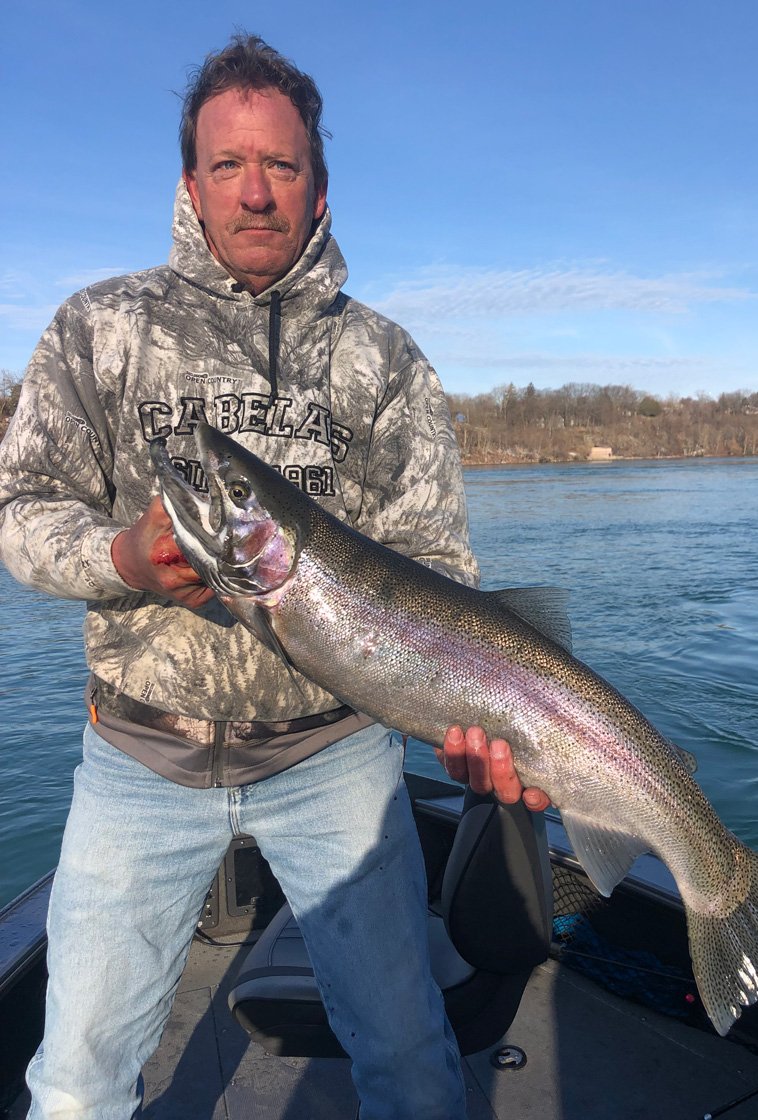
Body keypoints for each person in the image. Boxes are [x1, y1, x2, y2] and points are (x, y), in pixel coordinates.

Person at [0, 33, 548, 1120]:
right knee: (72, 1085)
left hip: (336, 759)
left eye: (281, 166)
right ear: (190, 185)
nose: (255, 192)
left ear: (320, 189)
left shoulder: (387, 361)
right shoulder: (96, 329)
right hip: (136, 757)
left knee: (410, 1062)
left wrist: (471, 716)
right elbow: (19, 515)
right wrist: (120, 558)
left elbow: (438, 573)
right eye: (228, 166)